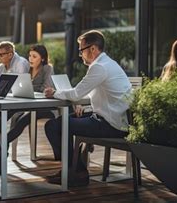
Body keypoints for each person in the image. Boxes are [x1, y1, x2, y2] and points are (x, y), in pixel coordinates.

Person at [43, 30, 132, 187]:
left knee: (54, 126)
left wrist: (54, 92)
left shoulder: (99, 67)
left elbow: (77, 93)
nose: (80, 54)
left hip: (110, 125)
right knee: (59, 123)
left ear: (93, 49)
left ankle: (74, 171)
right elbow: (92, 94)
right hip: (110, 118)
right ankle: (76, 170)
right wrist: (83, 106)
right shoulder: (108, 63)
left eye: (81, 50)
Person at [7, 44, 55, 143]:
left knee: (22, 121)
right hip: (29, 104)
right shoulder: (28, 69)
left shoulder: (47, 68)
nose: (30, 59)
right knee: (7, 114)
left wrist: (30, 89)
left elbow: (46, 89)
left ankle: (0, 144)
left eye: (34, 56)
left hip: (45, 106)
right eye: (30, 56)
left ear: (42, 58)